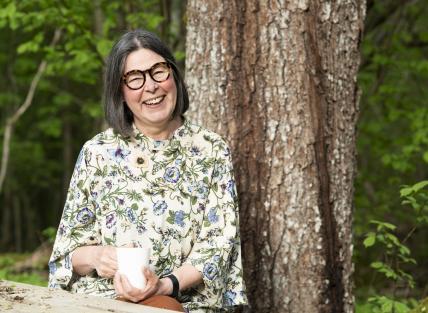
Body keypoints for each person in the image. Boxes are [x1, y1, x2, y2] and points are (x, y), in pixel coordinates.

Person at [48, 29, 247, 312]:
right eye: (135, 78)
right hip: (100, 300)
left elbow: (217, 245)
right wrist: (98, 255)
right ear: (120, 90)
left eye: (158, 71)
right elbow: (67, 255)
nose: (150, 86)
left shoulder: (211, 149)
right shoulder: (98, 152)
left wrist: (163, 286)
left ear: (174, 75)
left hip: (180, 300)